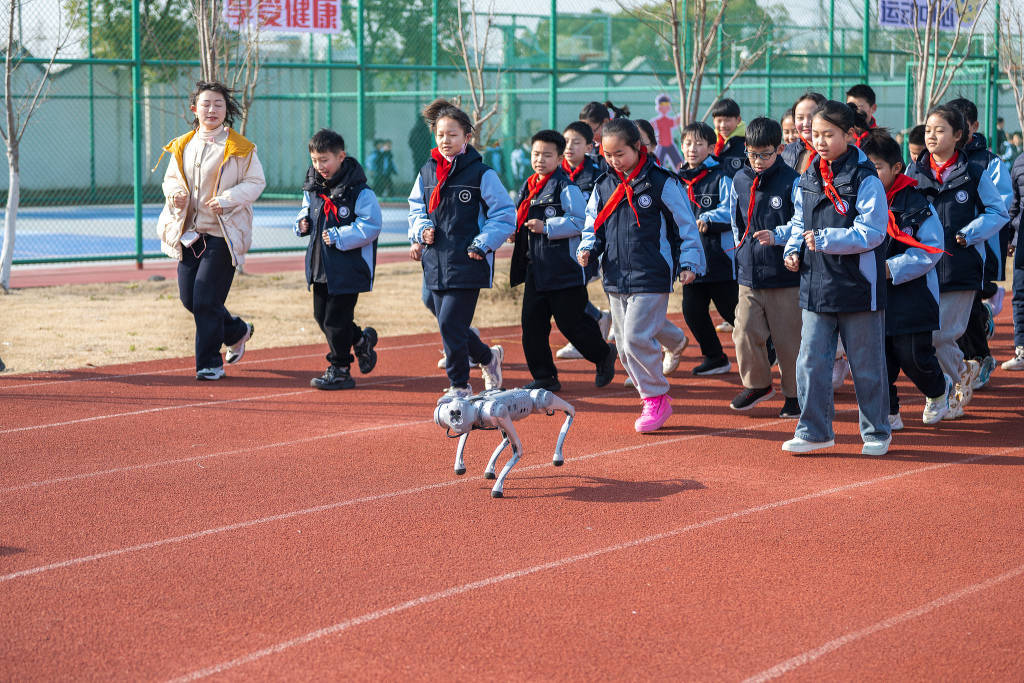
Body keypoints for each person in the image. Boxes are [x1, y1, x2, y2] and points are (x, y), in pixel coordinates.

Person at [577, 118, 706, 433]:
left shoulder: (662, 182)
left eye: (620, 153)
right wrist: (587, 247)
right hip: (616, 275)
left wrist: (689, 263)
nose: (613, 160)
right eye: (608, 155)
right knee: (622, 344)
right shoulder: (604, 184)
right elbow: (592, 223)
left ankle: (656, 398)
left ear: (638, 147)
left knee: (635, 339)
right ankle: (653, 387)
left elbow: (686, 226)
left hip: (651, 273)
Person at [780, 101, 892, 455]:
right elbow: (799, 221)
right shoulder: (809, 174)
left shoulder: (865, 177)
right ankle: (814, 431)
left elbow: (874, 232)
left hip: (859, 287)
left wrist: (827, 239)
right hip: (816, 284)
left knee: (866, 365)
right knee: (810, 362)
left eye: (830, 134)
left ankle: (876, 432)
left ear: (849, 135)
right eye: (816, 134)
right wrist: (792, 250)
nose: (822, 141)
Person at [156, 81, 266, 381]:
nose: (212, 109)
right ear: (195, 109)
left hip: (223, 234)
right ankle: (236, 330)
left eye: (219, 104)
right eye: (206, 104)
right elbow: (171, 179)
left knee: (205, 298)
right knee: (190, 300)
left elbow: (256, 182)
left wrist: (228, 200)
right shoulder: (182, 144)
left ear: (227, 109)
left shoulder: (241, 147)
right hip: (189, 234)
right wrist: (176, 193)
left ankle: (209, 364)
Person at [905, 104, 1009, 418]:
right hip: (924, 266)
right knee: (927, 335)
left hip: (961, 266)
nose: (932, 137)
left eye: (940, 130)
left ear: (958, 135)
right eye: (928, 131)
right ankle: (960, 374)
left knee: (941, 336)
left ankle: (950, 383)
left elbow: (998, 212)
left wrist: (969, 233)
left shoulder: (974, 172)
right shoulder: (914, 173)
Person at [408, 98, 515, 399]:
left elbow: (505, 215)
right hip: (435, 261)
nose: (445, 140)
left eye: (452, 134)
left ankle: (459, 386)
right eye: (441, 134)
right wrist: (420, 231)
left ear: (467, 137)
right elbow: (416, 209)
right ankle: (488, 357)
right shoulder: (427, 172)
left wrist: (483, 242)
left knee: (450, 323)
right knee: (446, 320)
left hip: (468, 260)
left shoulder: (482, 174)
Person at [509, 129, 617, 392]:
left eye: (547, 155)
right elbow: (522, 217)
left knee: (572, 324)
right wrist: (516, 231)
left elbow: (582, 222)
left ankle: (603, 355)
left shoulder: (565, 186)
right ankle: (545, 376)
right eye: (536, 154)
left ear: (559, 158)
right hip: (536, 267)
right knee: (532, 324)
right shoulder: (530, 185)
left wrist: (547, 226)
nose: (540, 160)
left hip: (564, 269)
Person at [860, 128, 954, 426]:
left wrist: (892, 268)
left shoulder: (915, 203)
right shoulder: (857, 201)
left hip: (912, 295)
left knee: (913, 355)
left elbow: (932, 249)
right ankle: (889, 410)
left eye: (875, 168)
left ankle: (939, 390)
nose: (868, 176)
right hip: (873, 295)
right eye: (864, 169)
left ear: (896, 168)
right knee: (878, 359)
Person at [727, 116, 802, 418]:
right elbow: (736, 222)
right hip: (749, 273)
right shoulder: (739, 180)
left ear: (780, 149)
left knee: (788, 341)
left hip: (783, 275)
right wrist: (741, 251)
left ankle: (795, 396)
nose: (758, 161)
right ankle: (758, 384)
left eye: (765, 154)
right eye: (752, 153)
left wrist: (786, 244)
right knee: (743, 331)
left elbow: (800, 223)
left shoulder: (792, 181)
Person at [295, 128, 382, 390]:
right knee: (322, 317)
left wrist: (340, 235)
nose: (319, 166)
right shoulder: (313, 188)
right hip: (320, 266)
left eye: (325, 160)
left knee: (335, 319)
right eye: (314, 160)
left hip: (348, 268)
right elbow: (305, 208)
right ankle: (360, 340)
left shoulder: (359, 191)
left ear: (341, 156)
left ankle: (341, 367)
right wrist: (302, 222)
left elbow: (372, 225)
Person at [946, 97, 1013, 389]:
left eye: (961, 125)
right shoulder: (935, 162)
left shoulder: (987, 162)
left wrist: (970, 230)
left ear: (972, 127)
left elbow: (1001, 205)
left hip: (974, 247)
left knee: (968, 303)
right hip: (944, 250)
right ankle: (965, 360)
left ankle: (979, 358)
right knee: (954, 309)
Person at [677, 121, 737, 375]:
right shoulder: (677, 179)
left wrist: (708, 218)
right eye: (688, 143)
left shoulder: (721, 176)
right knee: (692, 310)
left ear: (712, 147)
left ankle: (769, 348)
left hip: (718, 257)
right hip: (692, 258)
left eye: (699, 144)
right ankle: (715, 356)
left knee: (732, 311)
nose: (692, 149)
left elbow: (732, 210)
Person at [554, 120, 613, 361]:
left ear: (589, 146)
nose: (569, 147)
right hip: (562, 241)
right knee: (569, 292)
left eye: (576, 142)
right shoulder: (555, 172)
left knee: (574, 291)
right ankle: (597, 320)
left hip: (592, 242)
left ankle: (595, 331)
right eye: (566, 142)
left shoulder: (597, 174)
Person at [1004, 151, 1024, 370]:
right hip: (1022, 241)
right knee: (1020, 296)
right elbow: (1014, 204)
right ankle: (1021, 350)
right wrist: (1010, 237)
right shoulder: (1019, 162)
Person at [782, 91, 826, 173]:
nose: (806, 123)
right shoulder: (786, 152)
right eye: (800, 118)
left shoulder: (836, 152)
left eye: (812, 116)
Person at [710, 98, 747, 178]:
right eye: (719, 121)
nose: (723, 125)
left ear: (738, 120)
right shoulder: (710, 143)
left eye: (727, 120)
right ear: (713, 121)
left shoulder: (746, 145)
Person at [651, 93, 683, 169]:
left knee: (679, 163)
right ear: (659, 107)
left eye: (667, 105)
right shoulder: (657, 121)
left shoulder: (668, 120)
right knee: (658, 164)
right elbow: (651, 125)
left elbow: (675, 122)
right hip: (661, 145)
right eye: (662, 106)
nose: (665, 108)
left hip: (670, 144)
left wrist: (682, 116)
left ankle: (682, 176)